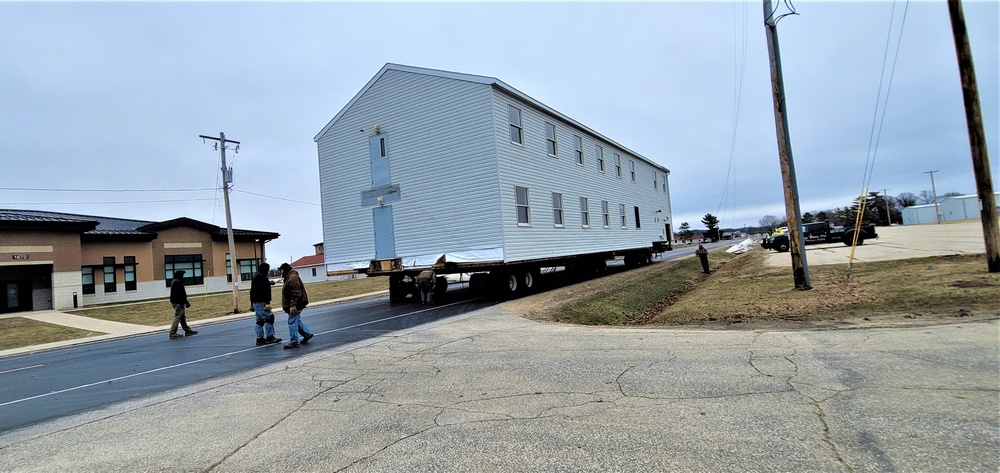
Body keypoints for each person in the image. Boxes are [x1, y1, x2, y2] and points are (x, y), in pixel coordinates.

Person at [279, 263, 313, 349]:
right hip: (294, 304)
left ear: (285, 270)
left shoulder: (292, 278)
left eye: (281, 270)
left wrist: (293, 306)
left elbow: (296, 293)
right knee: (296, 320)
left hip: (296, 305)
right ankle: (307, 334)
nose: (281, 273)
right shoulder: (290, 277)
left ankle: (294, 341)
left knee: (292, 322)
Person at [250, 263, 281, 346]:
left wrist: (252, 304)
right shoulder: (262, 277)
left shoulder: (256, 277)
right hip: (262, 302)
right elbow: (265, 289)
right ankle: (270, 337)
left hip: (256, 302)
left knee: (259, 321)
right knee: (269, 318)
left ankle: (259, 338)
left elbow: (253, 290)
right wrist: (267, 302)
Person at [168, 270, 197, 339]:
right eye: (182, 275)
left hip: (178, 301)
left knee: (182, 317)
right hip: (178, 302)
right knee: (178, 316)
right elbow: (181, 294)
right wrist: (186, 302)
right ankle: (172, 332)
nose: (183, 277)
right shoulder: (177, 282)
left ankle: (187, 330)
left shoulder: (174, 282)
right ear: (179, 275)